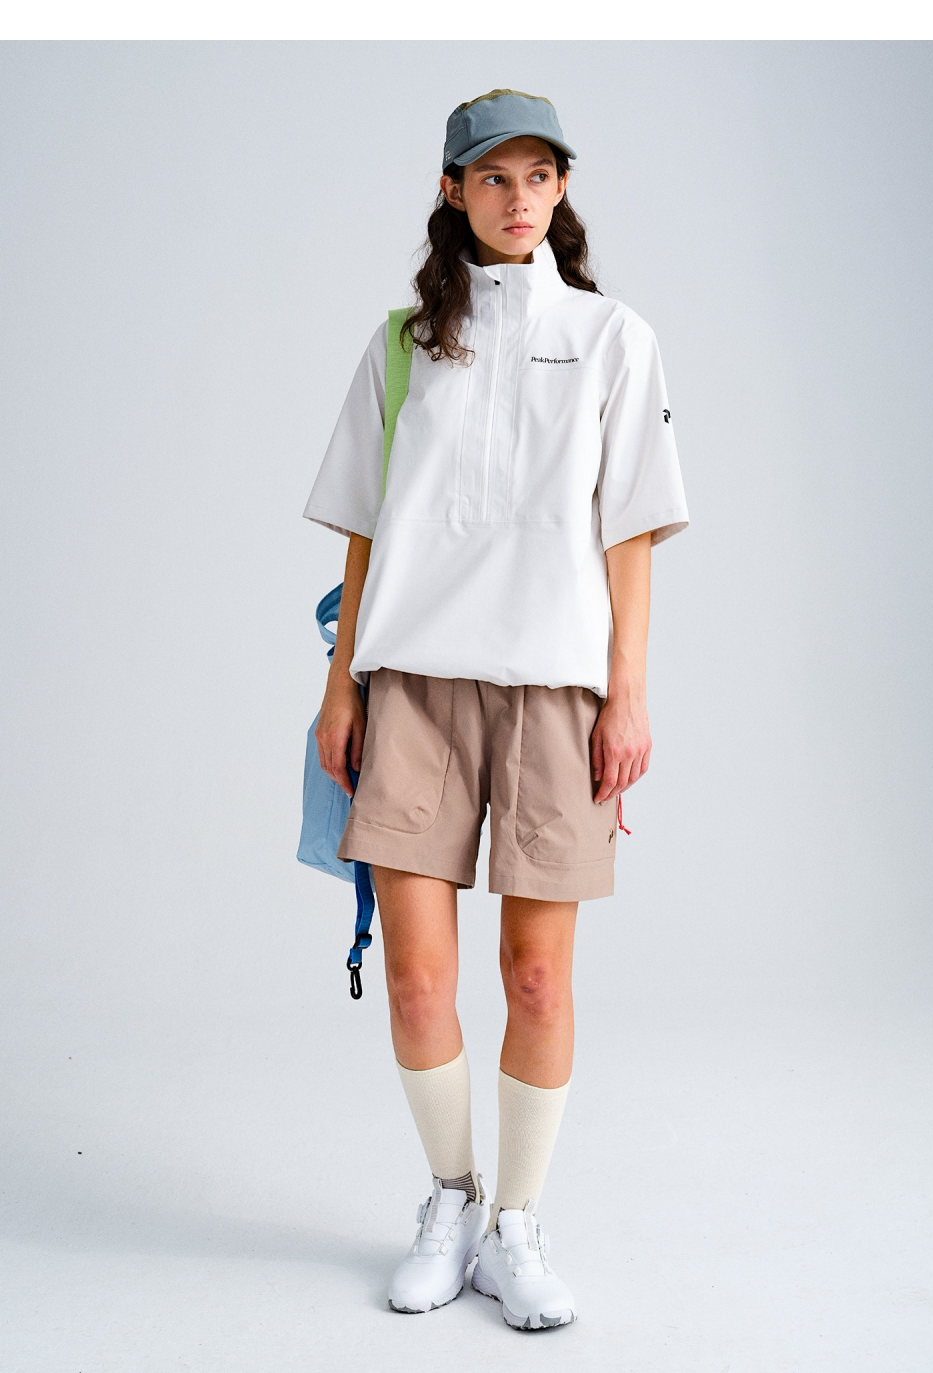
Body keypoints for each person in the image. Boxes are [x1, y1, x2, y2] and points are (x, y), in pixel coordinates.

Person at [303, 88, 688, 1330]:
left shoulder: (613, 337)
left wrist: (628, 694)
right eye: (492, 177)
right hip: (412, 683)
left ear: (561, 189)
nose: (517, 198)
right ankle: (450, 1198)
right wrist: (339, 683)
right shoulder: (403, 342)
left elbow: (630, 530)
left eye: (538, 176)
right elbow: (366, 525)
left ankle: (516, 1221)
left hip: (556, 688)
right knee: (418, 981)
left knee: (534, 974)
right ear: (451, 190)